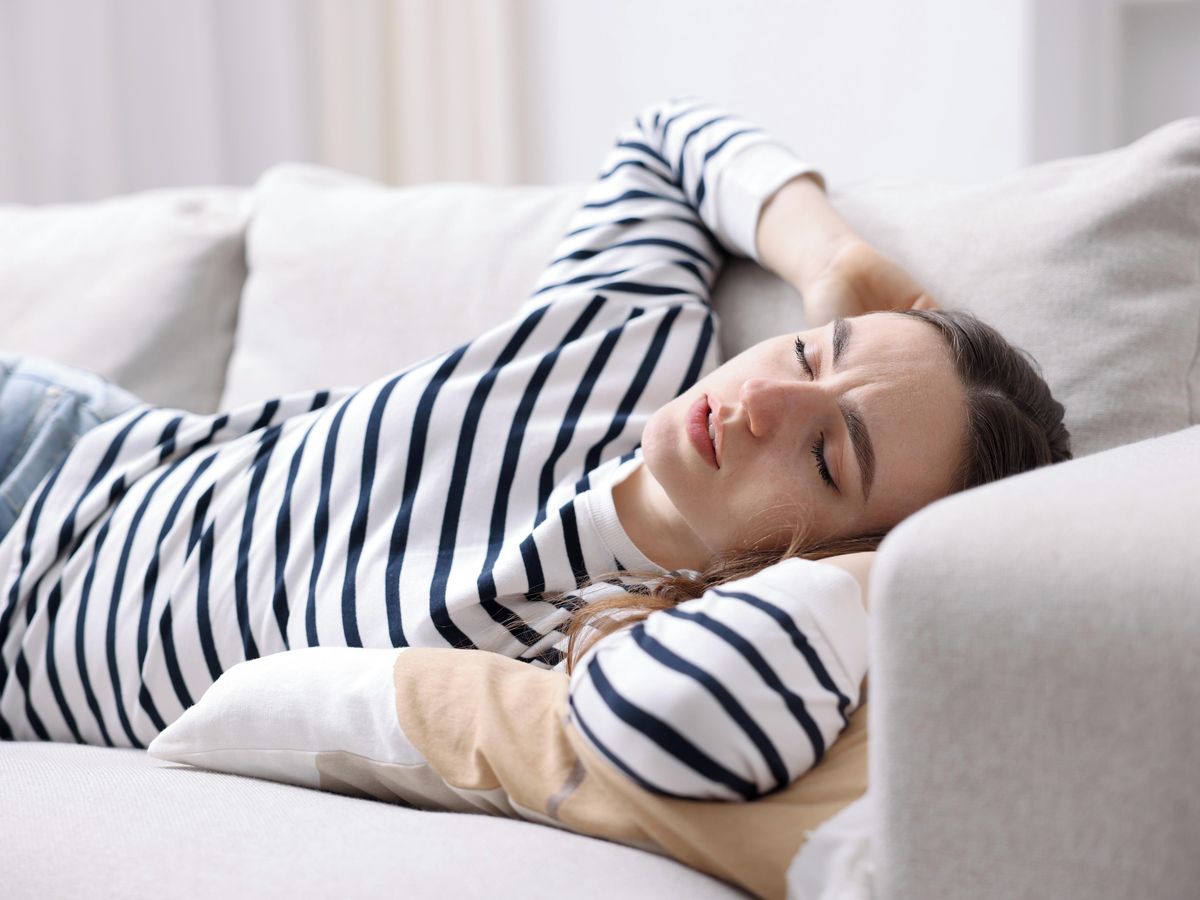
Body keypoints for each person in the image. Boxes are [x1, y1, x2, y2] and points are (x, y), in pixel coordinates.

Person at [0, 99, 1069, 801]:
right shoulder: (620, 344)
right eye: (807, 351)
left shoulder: (591, 662)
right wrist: (831, 260)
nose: (761, 400)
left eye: (829, 456)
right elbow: (664, 139)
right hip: (51, 454)